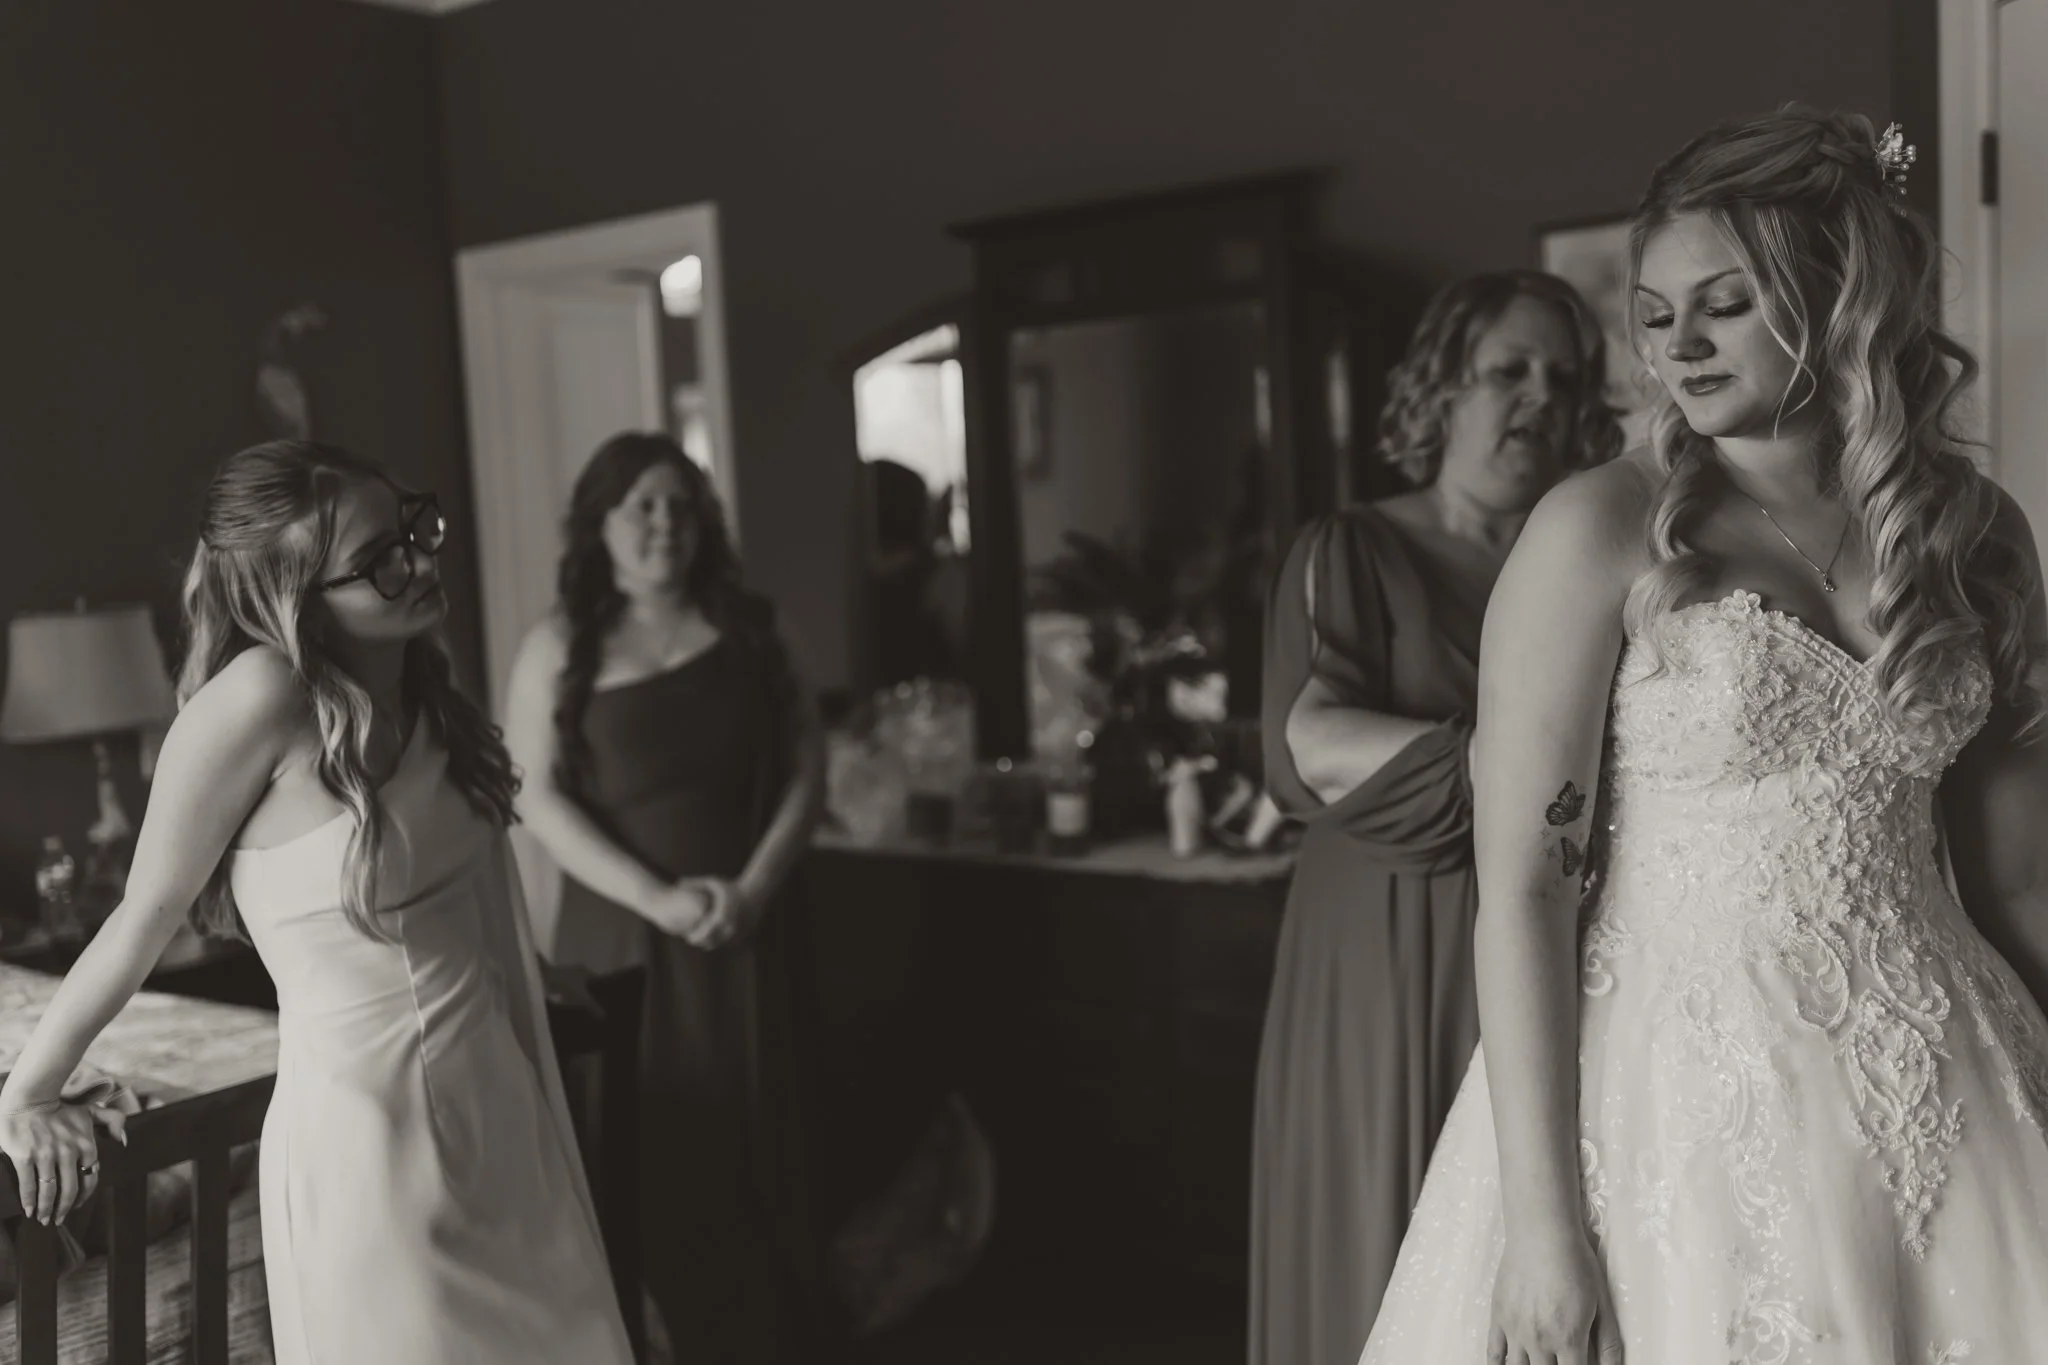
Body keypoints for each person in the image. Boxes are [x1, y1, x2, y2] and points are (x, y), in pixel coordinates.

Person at [1361, 106, 2048, 1365]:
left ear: (1836, 298)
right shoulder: (1596, 530)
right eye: (1654, 308)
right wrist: (1541, 1229)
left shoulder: (1972, 534)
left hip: (1944, 1080)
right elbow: (1522, 884)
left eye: (1722, 304)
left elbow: (2011, 876)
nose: (1674, 343)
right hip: (1671, 1105)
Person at [0, 440, 634, 1364]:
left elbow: (463, 891)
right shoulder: (257, 700)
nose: (418, 561)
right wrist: (30, 1091)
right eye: (379, 560)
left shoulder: (421, 679)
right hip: (370, 1140)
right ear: (295, 603)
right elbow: (141, 916)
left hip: (500, 1102)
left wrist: (538, 977)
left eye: (412, 527)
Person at [1253, 270, 1624, 1364]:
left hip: (1551, 927)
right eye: (1503, 370)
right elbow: (1310, 741)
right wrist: (1522, 764)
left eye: (1560, 377)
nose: (1536, 398)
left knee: (1545, 1232)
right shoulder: (1352, 549)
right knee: (1391, 1227)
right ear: (1438, 390)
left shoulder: (1589, 553)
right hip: (1384, 936)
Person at [504, 432, 824, 1362]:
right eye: (641, 505)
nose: (664, 524)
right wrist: (658, 898)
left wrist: (755, 885)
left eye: (681, 505)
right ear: (599, 523)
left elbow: (810, 761)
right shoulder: (559, 645)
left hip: (756, 921)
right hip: (627, 935)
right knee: (658, 1146)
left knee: (771, 1128)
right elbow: (537, 796)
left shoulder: (757, 628)